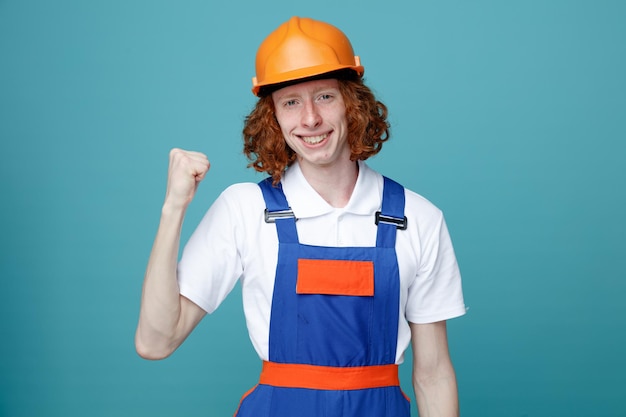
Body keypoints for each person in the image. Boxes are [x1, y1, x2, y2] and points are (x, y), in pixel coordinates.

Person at [135, 16, 466, 417]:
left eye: (324, 96)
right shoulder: (245, 210)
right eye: (291, 101)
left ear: (352, 103)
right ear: (273, 116)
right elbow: (156, 342)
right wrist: (174, 208)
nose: (309, 119)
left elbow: (432, 374)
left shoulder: (417, 217)